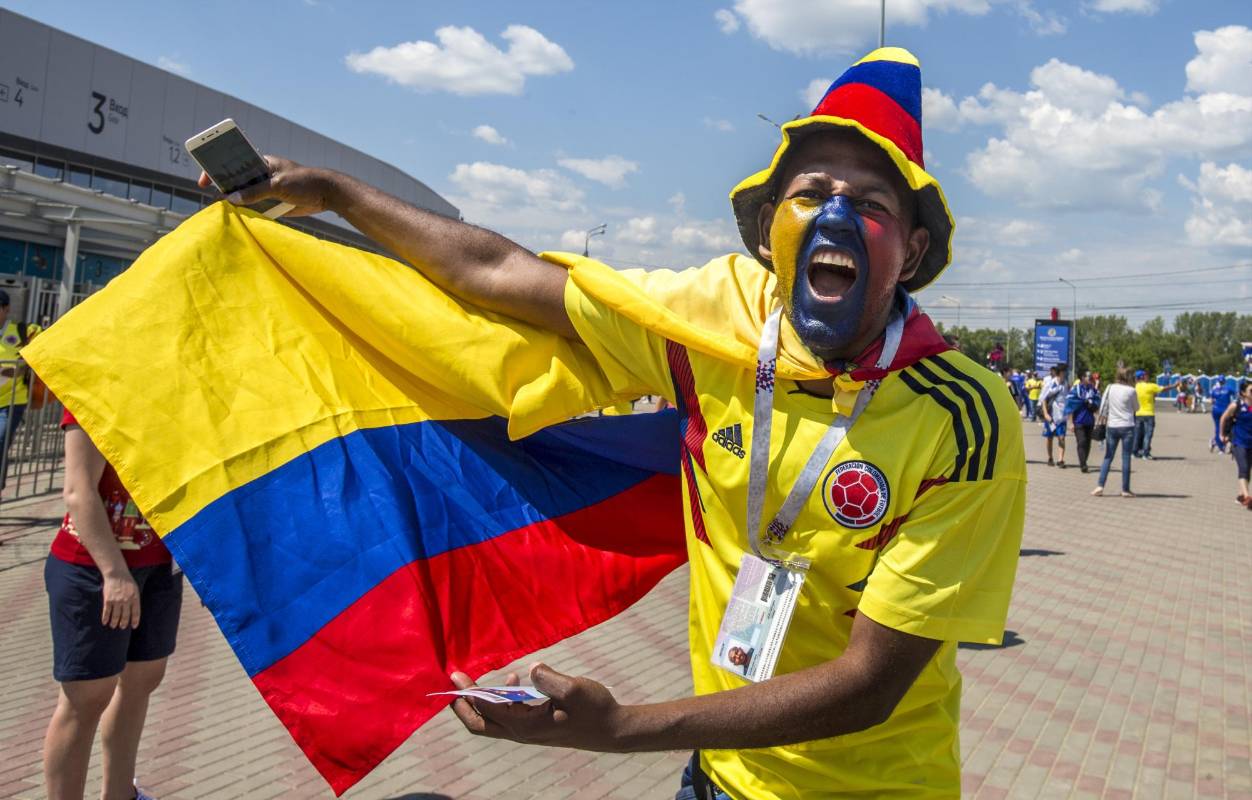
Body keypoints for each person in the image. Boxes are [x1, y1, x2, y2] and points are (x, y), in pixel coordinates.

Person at [214, 46, 1026, 799]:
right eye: (810, 195)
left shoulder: (965, 417)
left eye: (870, 204)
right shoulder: (717, 324)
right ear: (771, 228)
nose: (835, 217)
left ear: (913, 254)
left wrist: (620, 730)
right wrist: (339, 196)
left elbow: (870, 685)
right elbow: (501, 275)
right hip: (714, 778)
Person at [43, 410, 182, 800]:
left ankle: (120, 794)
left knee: (142, 679)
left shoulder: (178, 396)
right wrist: (114, 574)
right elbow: (77, 490)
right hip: (94, 569)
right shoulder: (94, 390)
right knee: (86, 697)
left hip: (159, 565)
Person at [0, 288, 43, 482]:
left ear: (6, 309)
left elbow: (43, 347)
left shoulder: (23, 331)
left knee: (0, 441)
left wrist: (23, 367)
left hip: (12, 400)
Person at [1093, 367, 1139, 497]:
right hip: (1127, 426)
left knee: (1108, 456)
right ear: (1129, 377)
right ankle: (1125, 489)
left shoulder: (1110, 387)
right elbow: (1137, 408)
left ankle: (1100, 486)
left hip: (1112, 426)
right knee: (1125, 458)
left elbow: (1103, 407)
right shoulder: (1131, 390)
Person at [1218, 379, 1252, 509]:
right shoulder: (1236, 405)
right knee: (1243, 468)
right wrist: (1221, 434)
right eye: (1251, 390)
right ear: (1243, 393)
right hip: (1239, 442)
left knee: (1247, 470)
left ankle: (1241, 495)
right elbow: (1223, 418)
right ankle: (1248, 498)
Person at [1133, 370, 1179, 459]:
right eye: (1146, 375)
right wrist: (1174, 385)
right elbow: (1163, 389)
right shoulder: (1150, 386)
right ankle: (1145, 454)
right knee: (1148, 435)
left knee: (1137, 434)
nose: (1148, 377)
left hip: (1138, 414)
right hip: (1149, 414)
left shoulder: (1136, 386)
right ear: (1143, 377)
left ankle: (1134, 452)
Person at [1066, 371, 1100, 473]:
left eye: (1090, 376)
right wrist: (1071, 423)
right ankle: (1083, 465)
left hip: (1089, 421)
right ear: (1082, 377)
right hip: (1078, 421)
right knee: (1082, 442)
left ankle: (1084, 460)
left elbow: (1098, 402)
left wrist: (1092, 404)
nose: (1089, 378)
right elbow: (1070, 406)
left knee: (1088, 444)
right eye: (1087, 376)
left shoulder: (1093, 390)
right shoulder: (1076, 389)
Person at [1040, 363, 1068, 467]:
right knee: (1050, 437)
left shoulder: (1065, 384)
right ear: (1060, 372)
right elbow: (1043, 398)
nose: (1066, 373)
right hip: (1051, 416)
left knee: (1062, 437)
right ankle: (1050, 457)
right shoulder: (1050, 383)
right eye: (1064, 371)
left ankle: (1061, 459)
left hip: (1061, 416)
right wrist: (1046, 414)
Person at [1211, 375, 1233, 453]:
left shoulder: (1214, 390)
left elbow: (1212, 401)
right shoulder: (1229, 388)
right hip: (1226, 411)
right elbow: (1236, 394)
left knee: (1218, 429)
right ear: (1224, 381)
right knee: (1228, 429)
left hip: (1216, 410)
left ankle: (1220, 447)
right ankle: (1222, 444)